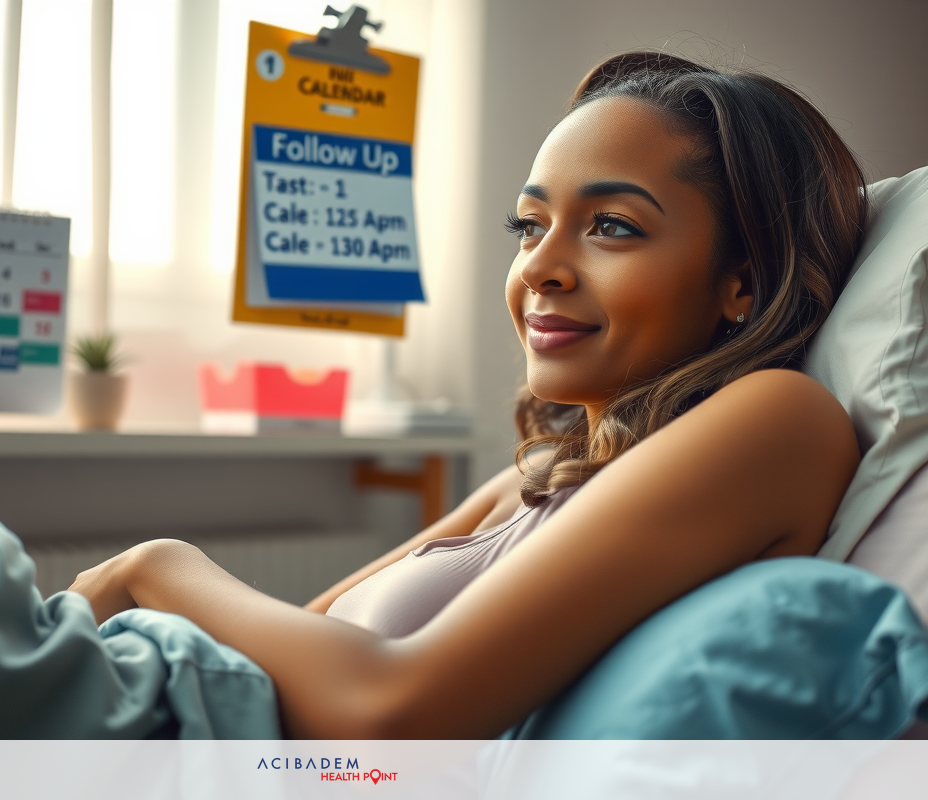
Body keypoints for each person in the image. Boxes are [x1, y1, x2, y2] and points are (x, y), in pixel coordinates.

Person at [68, 51, 867, 739]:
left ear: (743, 282)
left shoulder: (782, 418)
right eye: (528, 225)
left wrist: (158, 567)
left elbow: (396, 712)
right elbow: (289, 648)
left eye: (613, 226)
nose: (539, 269)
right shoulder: (537, 480)